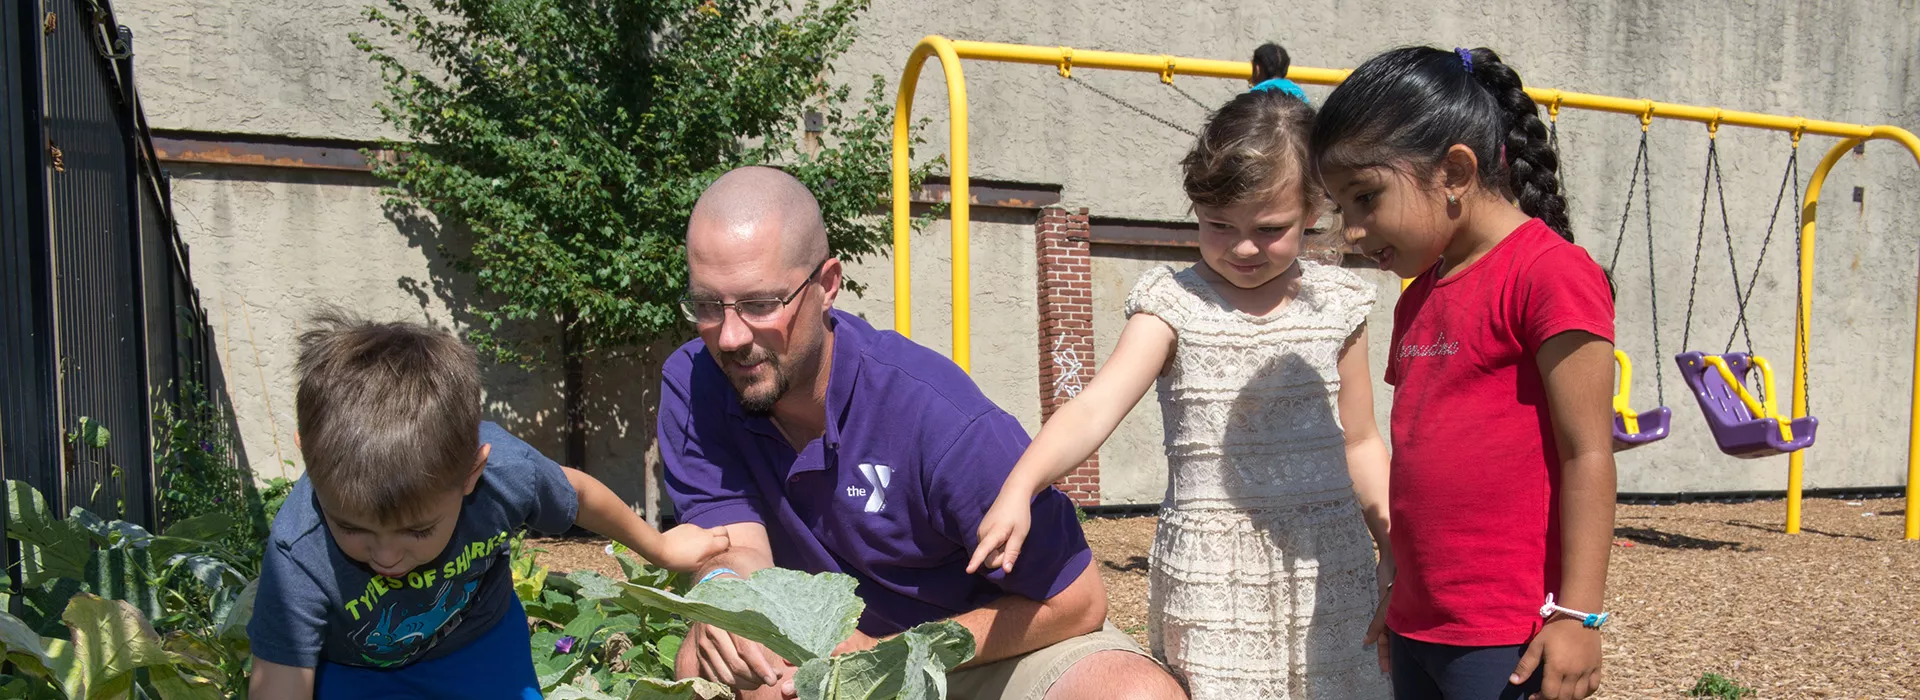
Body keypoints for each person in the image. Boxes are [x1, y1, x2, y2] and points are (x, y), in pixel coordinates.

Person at [658, 166, 1186, 700]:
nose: (727, 336)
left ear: (826, 286)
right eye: (706, 305)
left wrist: (889, 655)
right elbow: (738, 550)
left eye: (759, 304)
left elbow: (1076, 601)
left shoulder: (940, 420)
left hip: (980, 647)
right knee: (704, 658)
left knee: (1135, 694)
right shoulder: (696, 382)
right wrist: (722, 588)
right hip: (832, 659)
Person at [969, 80, 1393, 699]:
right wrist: (1020, 486)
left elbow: (1359, 440)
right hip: (1214, 575)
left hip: (1329, 563)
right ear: (1196, 208)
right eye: (1220, 225)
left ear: (1313, 210)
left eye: (1270, 228)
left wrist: (1393, 545)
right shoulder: (1173, 305)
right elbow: (1093, 407)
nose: (1244, 247)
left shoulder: (1337, 304)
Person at [1310, 46, 1617, 700]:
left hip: (1510, 634)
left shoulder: (1550, 274)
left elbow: (1588, 452)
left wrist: (1578, 615)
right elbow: (1426, 462)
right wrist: (1402, 594)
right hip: (1421, 628)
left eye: (1364, 198)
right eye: (1342, 208)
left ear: (1454, 169)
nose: (1353, 231)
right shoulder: (1421, 292)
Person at [248, 312, 729, 700]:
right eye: (352, 528)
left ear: (471, 474)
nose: (386, 556)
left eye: (417, 531)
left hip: (481, 646)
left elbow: (579, 495)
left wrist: (661, 549)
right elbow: (281, 683)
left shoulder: (505, 475)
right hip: (355, 673)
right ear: (308, 460)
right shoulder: (299, 552)